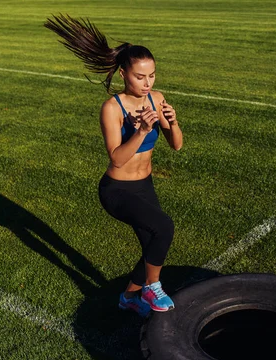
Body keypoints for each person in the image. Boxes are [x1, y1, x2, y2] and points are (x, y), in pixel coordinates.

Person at [45, 14, 183, 316]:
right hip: (117, 190)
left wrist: (171, 123)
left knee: (153, 243)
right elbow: (117, 157)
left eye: (152, 76)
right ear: (123, 74)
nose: (147, 83)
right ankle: (151, 288)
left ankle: (128, 298)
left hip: (144, 185)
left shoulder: (157, 99)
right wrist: (142, 131)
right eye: (139, 77)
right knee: (164, 227)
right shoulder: (112, 107)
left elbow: (177, 144)